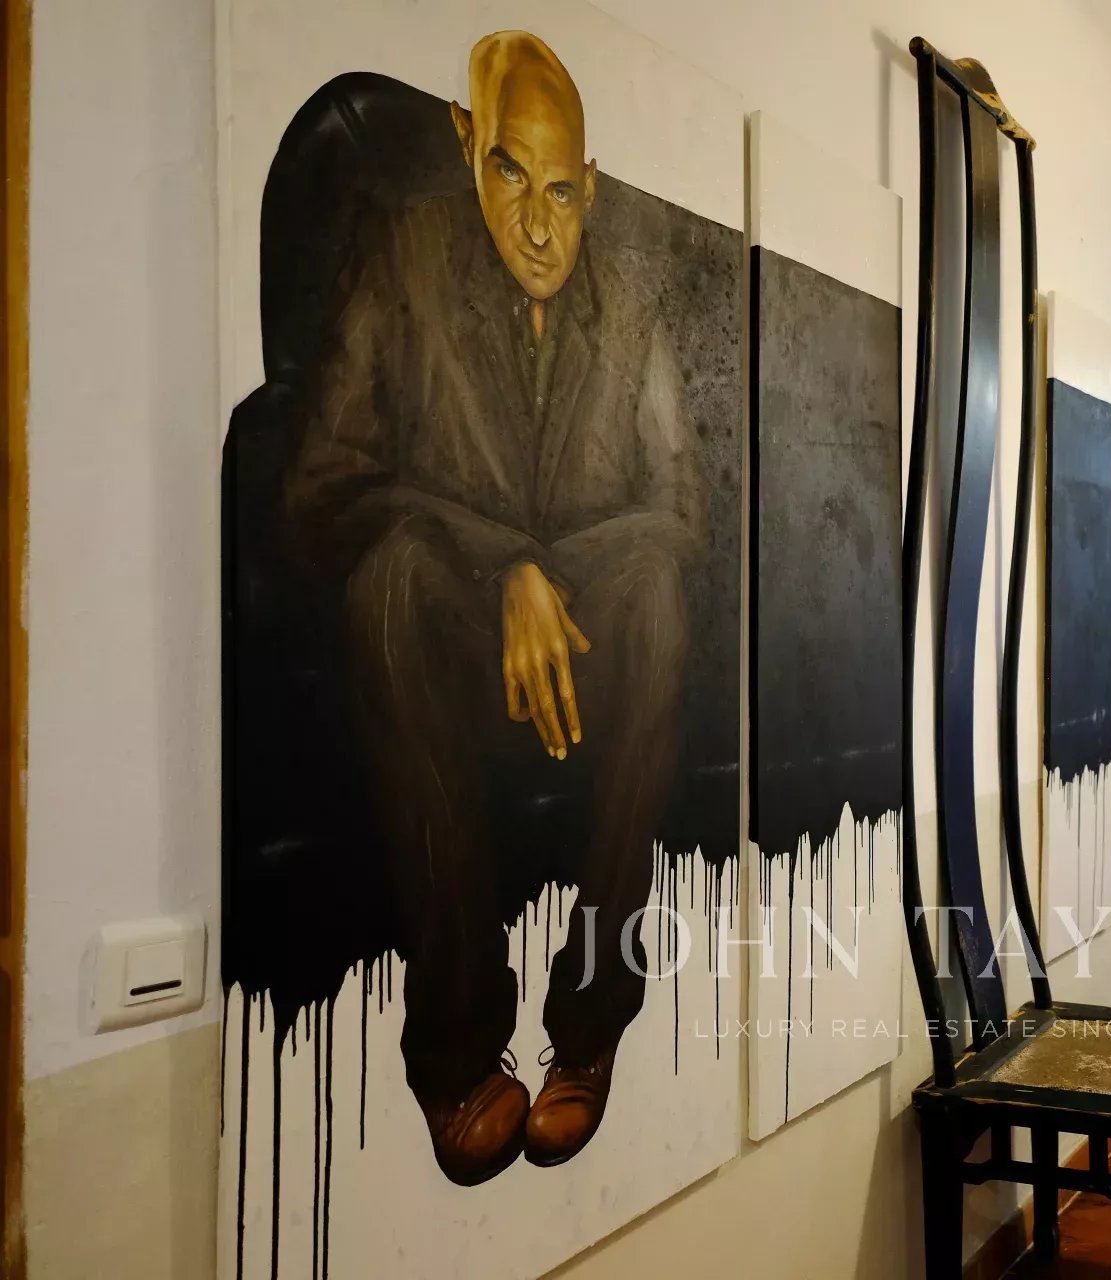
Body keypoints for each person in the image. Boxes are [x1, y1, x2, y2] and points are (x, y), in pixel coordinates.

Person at [285, 30, 703, 1185]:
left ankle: (593, 1020)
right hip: (449, 647)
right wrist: (499, 567)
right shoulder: (402, 258)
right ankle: (459, 1047)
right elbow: (322, 488)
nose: (537, 225)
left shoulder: (632, 304)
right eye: (511, 173)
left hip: (584, 648)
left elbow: (681, 509)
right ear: (467, 142)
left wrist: (549, 578)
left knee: (659, 594)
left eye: (562, 191)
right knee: (388, 581)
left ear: (592, 189)